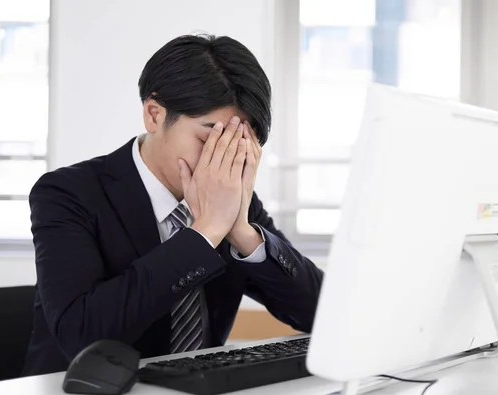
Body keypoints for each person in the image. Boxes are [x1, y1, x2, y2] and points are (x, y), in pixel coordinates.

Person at [22, 34, 324, 376]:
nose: (224, 158)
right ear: (154, 115)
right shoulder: (67, 193)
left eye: (242, 142)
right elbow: (83, 334)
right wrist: (205, 231)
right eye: (209, 138)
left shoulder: (233, 200)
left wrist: (240, 230)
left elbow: (321, 314)